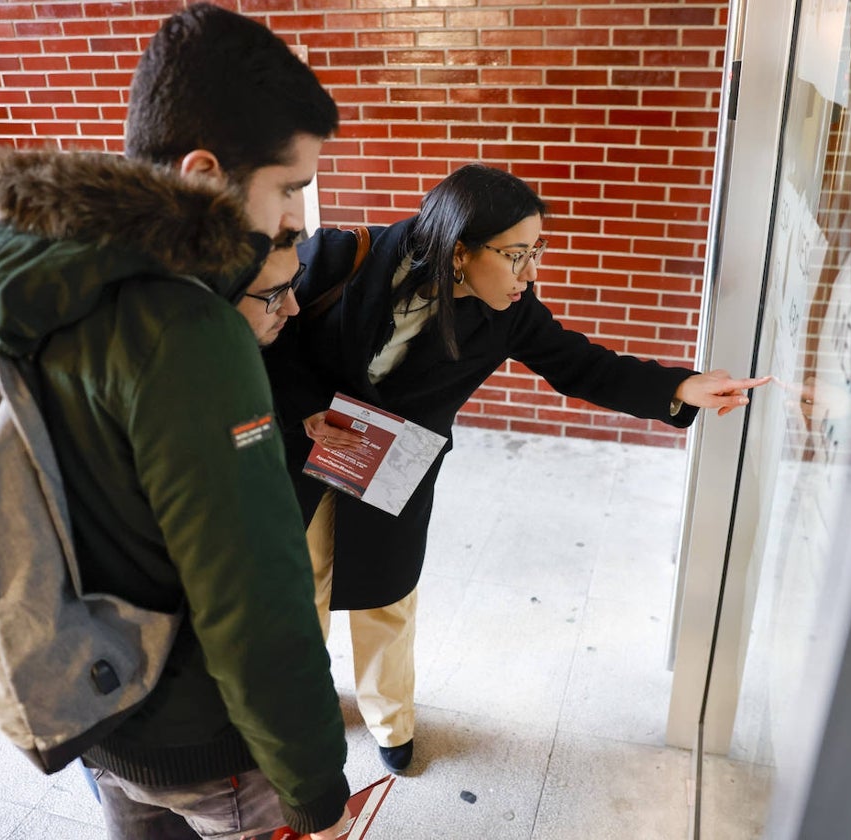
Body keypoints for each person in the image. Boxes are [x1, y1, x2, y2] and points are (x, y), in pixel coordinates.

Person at [0, 5, 350, 839]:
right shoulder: (188, 332)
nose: (294, 218)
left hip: (93, 706)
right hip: (210, 749)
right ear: (204, 171)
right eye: (287, 187)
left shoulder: (32, 276)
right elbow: (253, 602)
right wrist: (315, 789)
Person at [264, 163, 771, 774]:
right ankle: (301, 714)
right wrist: (307, 410)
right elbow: (273, 341)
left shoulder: (509, 311)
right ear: (457, 251)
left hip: (396, 466)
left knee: (388, 599)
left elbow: (582, 364)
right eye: (517, 255)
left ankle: (389, 719)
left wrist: (681, 386)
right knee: (299, 589)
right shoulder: (345, 257)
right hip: (312, 452)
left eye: (537, 252)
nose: (531, 273)